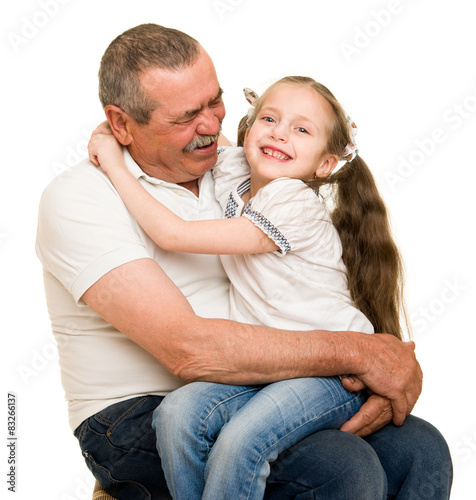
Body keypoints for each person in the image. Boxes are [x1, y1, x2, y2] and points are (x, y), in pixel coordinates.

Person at [35, 23, 452, 499]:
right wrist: (364, 353)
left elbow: (284, 151)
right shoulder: (80, 197)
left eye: (215, 101)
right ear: (122, 123)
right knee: (340, 466)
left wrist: (389, 361)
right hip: (136, 414)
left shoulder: (231, 169)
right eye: (186, 117)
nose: (212, 125)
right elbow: (188, 350)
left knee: (420, 449)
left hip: (257, 385)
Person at [88, 75, 406, 500]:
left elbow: (175, 236)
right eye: (269, 119)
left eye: (302, 129)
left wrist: (112, 162)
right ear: (249, 127)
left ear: (326, 165)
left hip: (332, 372)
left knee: (242, 442)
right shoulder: (236, 171)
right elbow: (194, 132)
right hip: (269, 366)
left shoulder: (292, 201)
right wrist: (121, 125)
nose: (279, 133)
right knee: (176, 414)